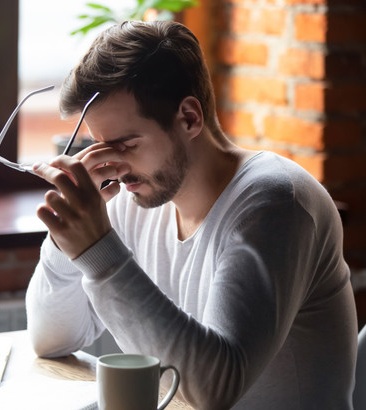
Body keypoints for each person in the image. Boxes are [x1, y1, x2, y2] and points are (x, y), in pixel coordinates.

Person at [25, 20, 357, 409]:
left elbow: (213, 391)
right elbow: (52, 339)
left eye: (125, 144)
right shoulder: (136, 198)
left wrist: (100, 254)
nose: (112, 164)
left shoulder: (276, 204)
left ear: (189, 118)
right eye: (99, 146)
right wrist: (68, 234)